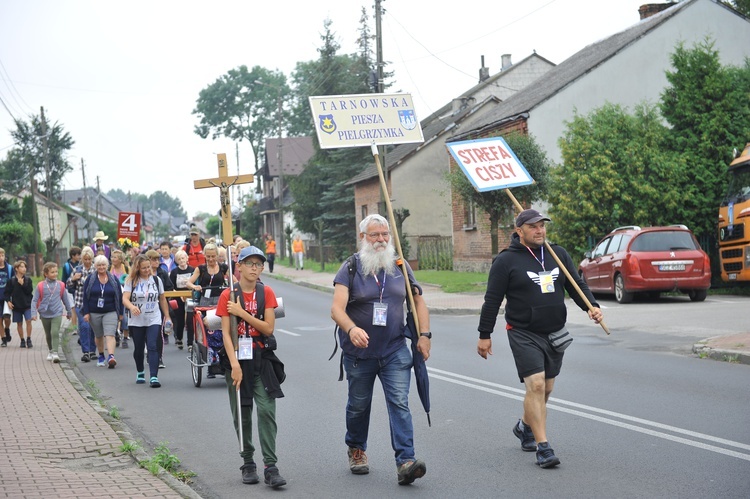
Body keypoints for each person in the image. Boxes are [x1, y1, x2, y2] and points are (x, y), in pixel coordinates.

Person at [476, 209, 603, 469]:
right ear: (519, 230)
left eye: (542, 226)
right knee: (534, 385)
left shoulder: (557, 254)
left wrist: (591, 305)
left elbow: (576, 285)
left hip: (555, 331)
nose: (540, 230)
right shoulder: (506, 261)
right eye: (533, 226)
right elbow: (492, 300)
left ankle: (525, 426)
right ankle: (543, 447)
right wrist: (484, 335)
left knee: (546, 389)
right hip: (523, 331)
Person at [330, 214, 432, 486]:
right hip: (359, 353)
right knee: (359, 406)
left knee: (399, 402)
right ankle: (356, 447)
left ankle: (405, 461)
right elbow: (336, 309)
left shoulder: (399, 266)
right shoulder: (350, 268)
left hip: (395, 349)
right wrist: (351, 329)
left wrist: (424, 335)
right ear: (363, 237)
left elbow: (418, 301)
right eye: (374, 235)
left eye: (385, 234)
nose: (381, 239)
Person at [215, 245, 287, 489]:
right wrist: (234, 365)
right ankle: (248, 463)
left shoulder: (265, 292)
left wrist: (241, 313)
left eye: (259, 264)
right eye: (250, 264)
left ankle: (271, 466)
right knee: (242, 413)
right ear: (240, 266)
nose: (255, 268)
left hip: (261, 358)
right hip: (236, 359)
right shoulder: (228, 295)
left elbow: (268, 328)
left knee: (267, 409)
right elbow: (226, 333)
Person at [123, 254, 172, 387]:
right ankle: (140, 371)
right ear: (138, 268)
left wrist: (167, 316)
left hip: (154, 317)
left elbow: (162, 299)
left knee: (152, 346)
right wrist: (132, 307)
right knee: (138, 348)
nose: (146, 270)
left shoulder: (156, 280)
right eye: (143, 268)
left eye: (148, 267)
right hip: (137, 319)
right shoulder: (131, 281)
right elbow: (125, 298)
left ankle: (154, 377)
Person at [81, 255, 123, 368]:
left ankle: (111, 356)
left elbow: (119, 296)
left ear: (107, 265)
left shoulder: (113, 279)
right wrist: (86, 312)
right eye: (99, 265)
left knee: (110, 334)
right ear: (95, 266)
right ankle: (100, 355)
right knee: (99, 335)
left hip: (111, 311)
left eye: (103, 265)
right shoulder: (90, 279)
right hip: (94, 311)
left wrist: (120, 313)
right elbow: (85, 297)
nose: (101, 267)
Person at [31, 262, 72, 362]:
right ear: (46, 274)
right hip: (44, 313)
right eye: (52, 272)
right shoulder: (40, 286)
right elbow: (35, 300)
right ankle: (50, 350)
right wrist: (33, 313)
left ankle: (55, 353)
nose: (55, 274)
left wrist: (69, 311)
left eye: (56, 272)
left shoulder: (61, 285)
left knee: (55, 332)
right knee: (48, 334)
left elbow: (65, 299)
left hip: (57, 312)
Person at [67, 247, 97, 361]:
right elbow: (68, 284)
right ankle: (86, 352)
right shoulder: (77, 269)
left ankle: (92, 350)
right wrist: (74, 278)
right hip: (80, 302)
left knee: (92, 328)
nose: (87, 261)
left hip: (93, 303)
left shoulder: (95, 270)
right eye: (85, 259)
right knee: (84, 327)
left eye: (89, 259)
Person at [146, 249, 174, 364]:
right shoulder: (143, 273)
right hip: (146, 306)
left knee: (158, 333)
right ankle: (150, 353)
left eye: (158, 259)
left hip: (159, 306)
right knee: (147, 333)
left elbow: (169, 287)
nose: (156, 262)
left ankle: (159, 357)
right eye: (154, 260)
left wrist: (164, 296)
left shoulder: (162, 272)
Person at [5, 260, 34, 348]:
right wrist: (8, 301)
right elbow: (7, 293)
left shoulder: (28, 280)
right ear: (16, 269)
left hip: (27, 305)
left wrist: (23, 284)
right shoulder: (11, 281)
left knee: (28, 321)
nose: (24, 269)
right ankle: (22, 339)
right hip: (16, 305)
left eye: (25, 267)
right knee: (19, 323)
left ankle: (28, 338)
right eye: (21, 267)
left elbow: (29, 291)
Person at [169, 249, 194, 350]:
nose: (182, 260)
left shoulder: (192, 270)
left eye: (183, 258)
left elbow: (195, 283)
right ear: (176, 261)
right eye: (179, 259)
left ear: (187, 259)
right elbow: (171, 286)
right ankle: (179, 337)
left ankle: (190, 343)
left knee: (190, 320)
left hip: (190, 296)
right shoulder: (174, 272)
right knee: (179, 320)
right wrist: (179, 295)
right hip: (178, 297)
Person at [109, 249, 130, 348]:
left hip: (124, 295)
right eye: (112, 257)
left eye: (115, 257)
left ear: (120, 259)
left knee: (124, 318)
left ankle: (125, 338)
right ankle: (115, 335)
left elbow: (132, 279)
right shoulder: (109, 268)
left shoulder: (126, 268)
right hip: (112, 296)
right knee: (113, 317)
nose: (112, 259)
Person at [61, 246, 81, 331]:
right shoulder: (66, 266)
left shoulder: (81, 264)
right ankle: (74, 327)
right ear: (72, 256)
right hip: (69, 289)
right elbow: (63, 279)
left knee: (79, 307)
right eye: (78, 255)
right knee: (73, 307)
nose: (79, 256)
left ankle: (80, 326)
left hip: (79, 288)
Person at [0, 247, 14, 346]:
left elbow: (13, 281)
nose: (1, 258)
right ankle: (3, 339)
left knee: (6, 318)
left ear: (5, 256)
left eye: (2, 255)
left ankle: (7, 328)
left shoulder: (9, 268)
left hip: (7, 297)